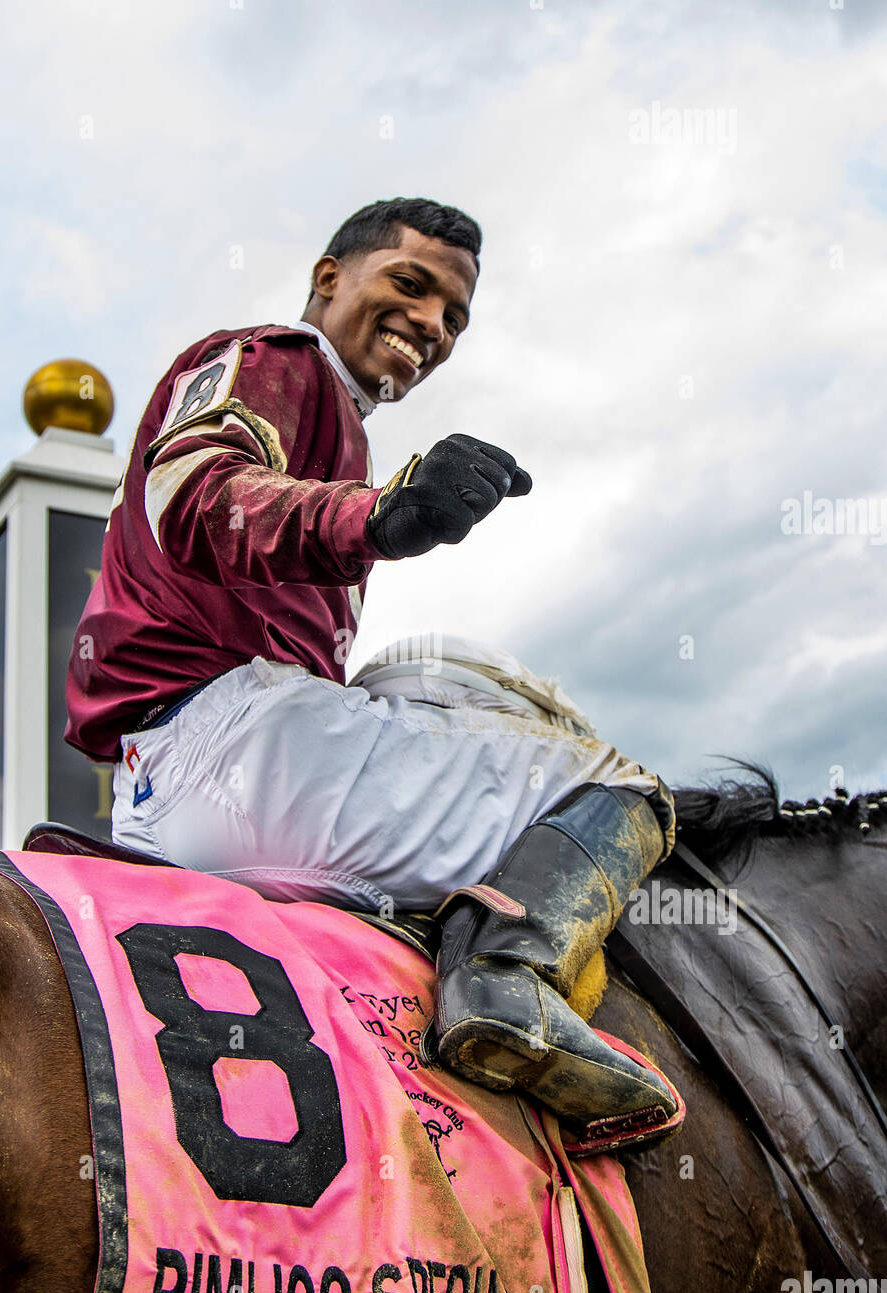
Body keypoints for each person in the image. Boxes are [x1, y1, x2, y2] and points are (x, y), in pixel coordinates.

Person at [66, 197, 678, 1143]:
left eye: (455, 317)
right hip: (236, 746)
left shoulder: (329, 419)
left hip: (171, 788)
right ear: (327, 279)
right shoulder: (281, 359)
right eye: (410, 284)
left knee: (419, 681)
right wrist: (378, 516)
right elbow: (194, 491)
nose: (431, 323)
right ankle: (510, 986)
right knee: (621, 785)